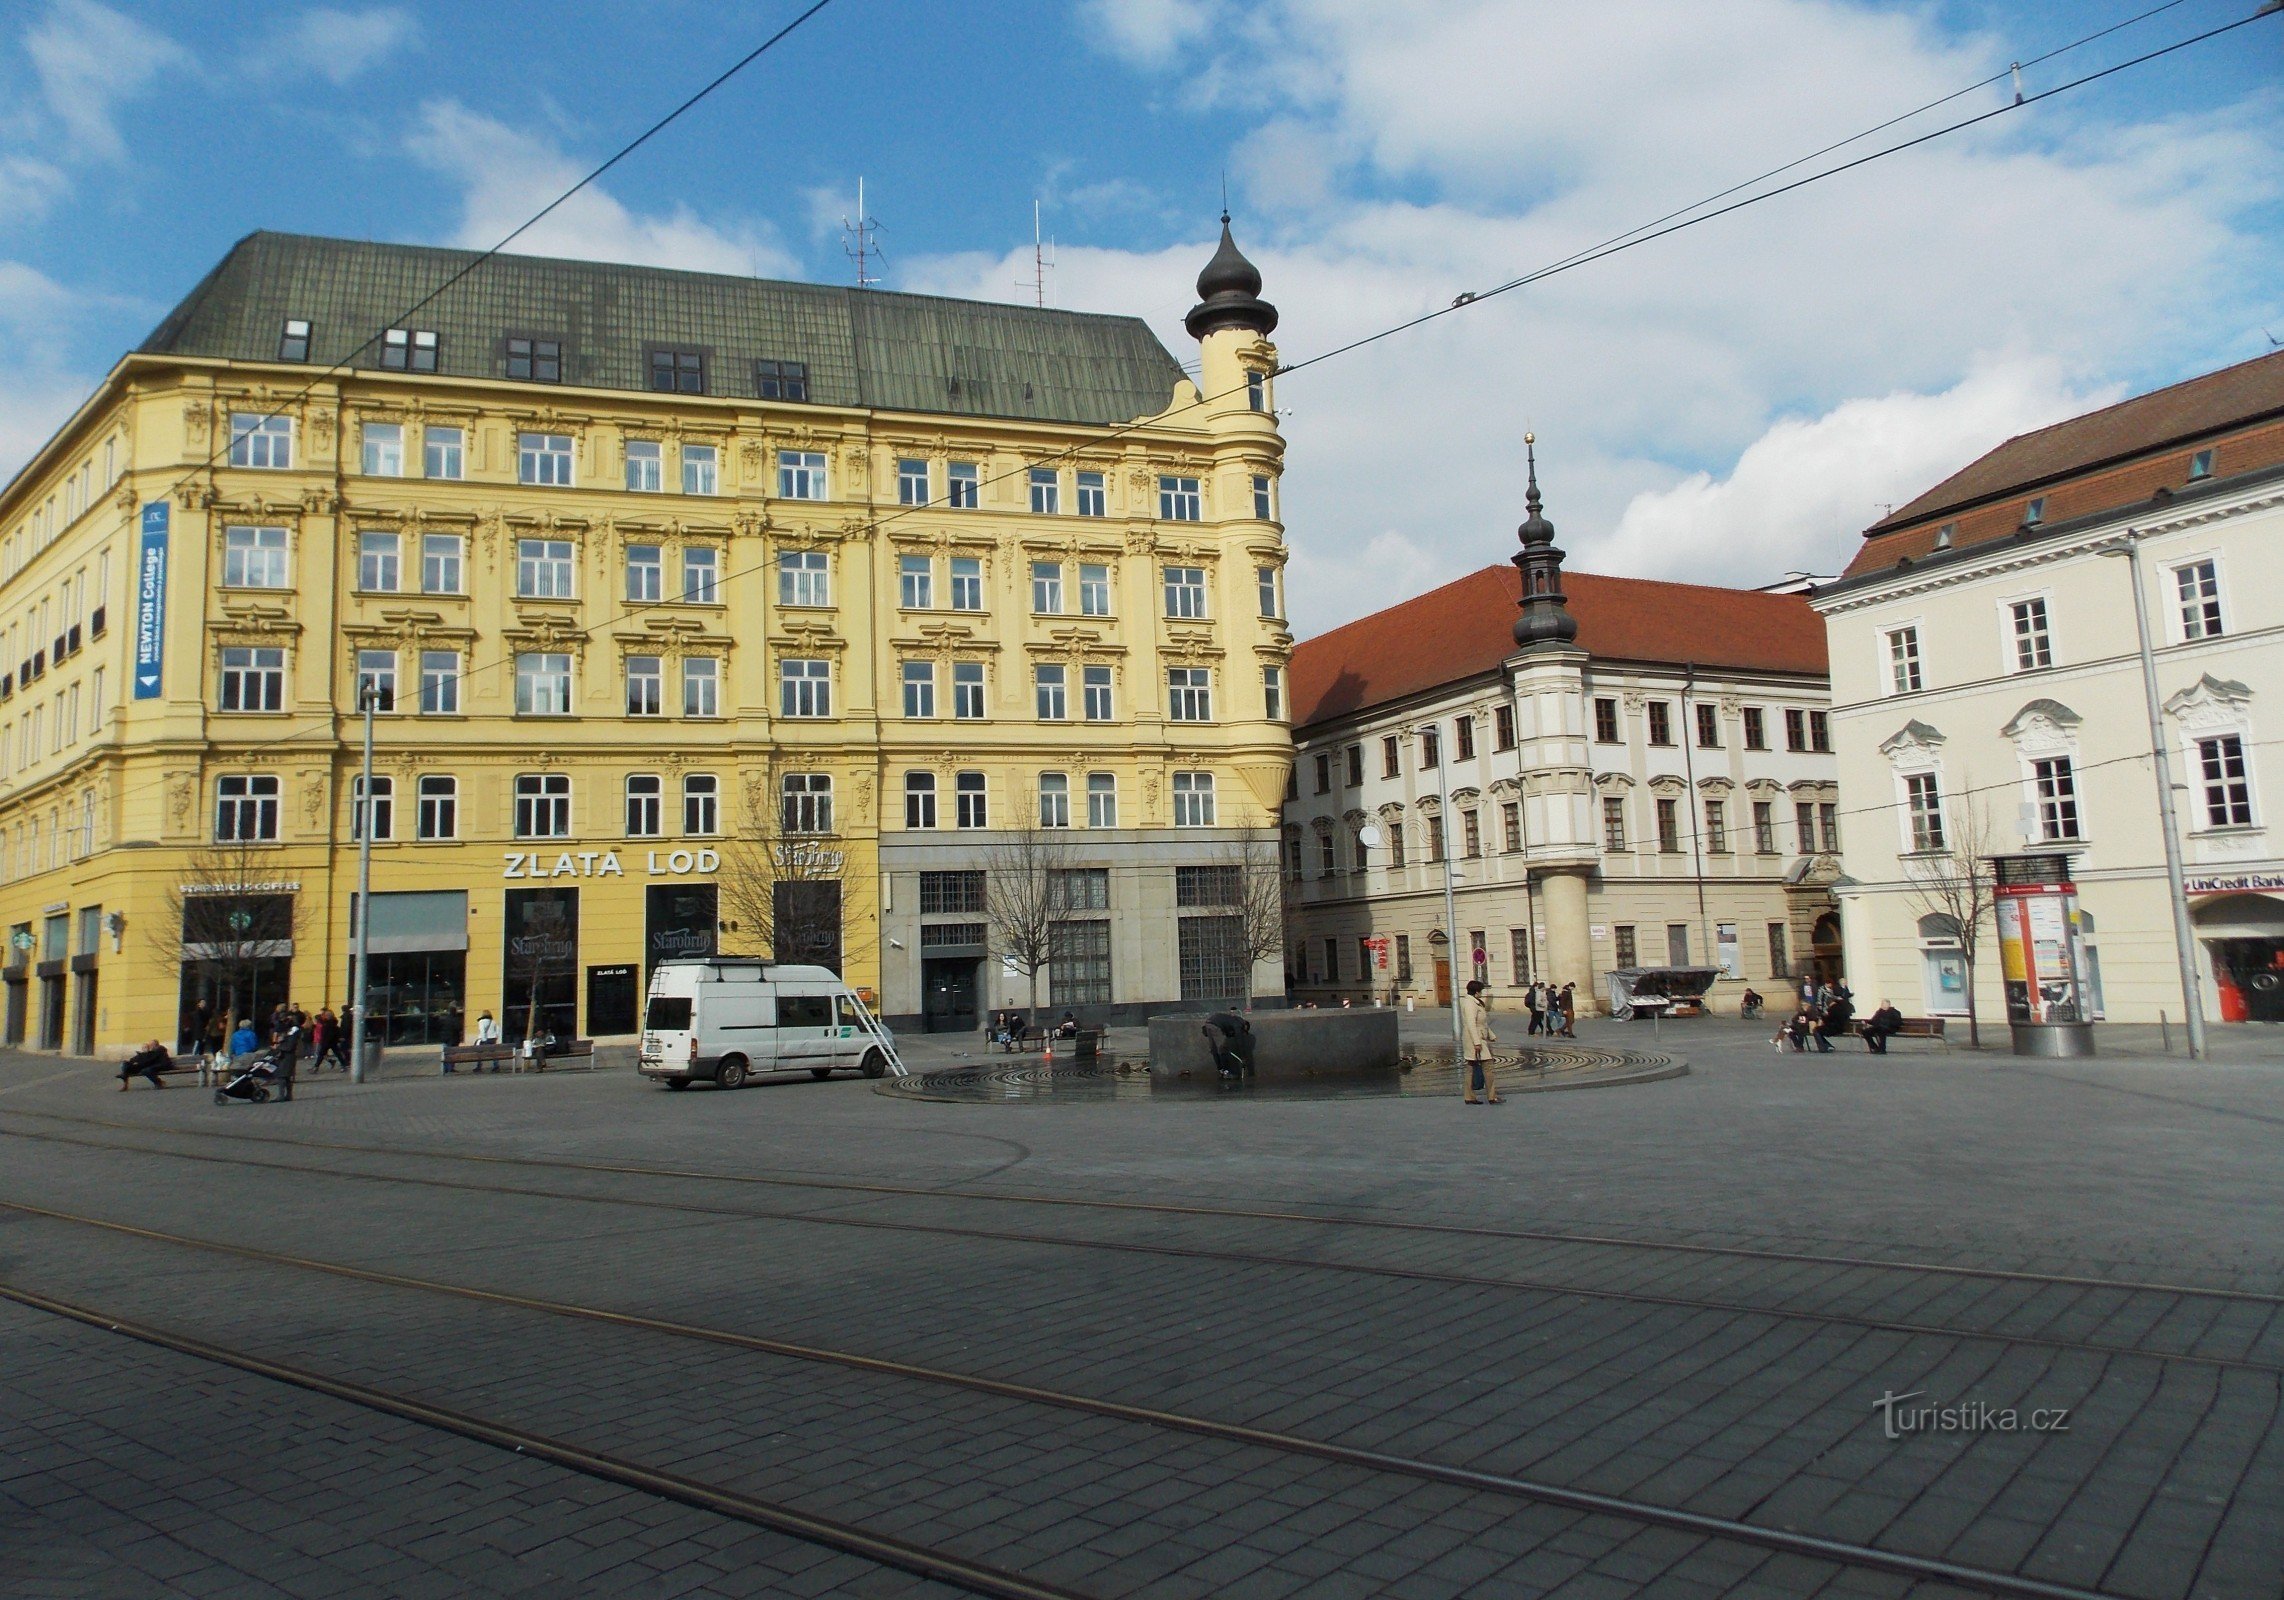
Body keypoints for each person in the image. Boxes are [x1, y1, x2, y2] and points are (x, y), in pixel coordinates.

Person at [1460, 979, 1501, 1104]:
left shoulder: (1475, 1002)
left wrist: (1491, 1035)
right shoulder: (1470, 1004)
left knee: (1471, 1067)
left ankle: (1470, 1097)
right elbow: (1471, 1024)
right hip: (1475, 1039)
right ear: (1476, 992)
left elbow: (1483, 1023)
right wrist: (1477, 1042)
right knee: (1487, 1066)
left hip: (1478, 1037)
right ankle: (1491, 1096)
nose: (1482, 993)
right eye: (1481, 991)